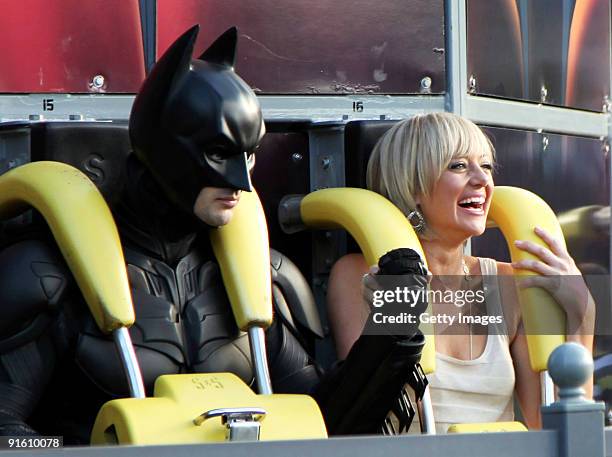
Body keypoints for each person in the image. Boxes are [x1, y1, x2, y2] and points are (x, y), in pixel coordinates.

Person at [0, 26, 321, 442]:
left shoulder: (257, 277)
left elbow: (330, 422)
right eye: (220, 153)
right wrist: (73, 452)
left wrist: (392, 330)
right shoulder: (50, 275)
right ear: (164, 151)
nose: (242, 182)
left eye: (250, 155)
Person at [327, 112, 595, 433]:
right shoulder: (358, 274)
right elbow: (366, 410)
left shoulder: (509, 283)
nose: (482, 180)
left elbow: (552, 428)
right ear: (412, 187)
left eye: (485, 166)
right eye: (458, 166)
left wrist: (583, 311)